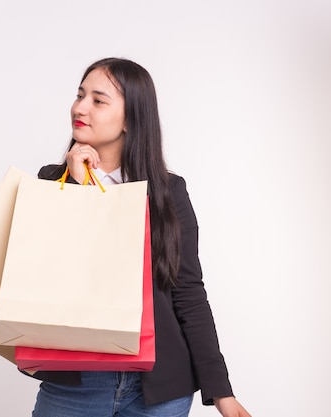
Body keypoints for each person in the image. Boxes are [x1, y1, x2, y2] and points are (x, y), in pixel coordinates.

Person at [25, 58, 252, 417]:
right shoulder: (52, 181)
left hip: (162, 388)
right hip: (76, 382)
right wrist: (75, 185)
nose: (80, 107)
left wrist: (220, 390)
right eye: (80, 95)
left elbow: (188, 292)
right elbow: (39, 273)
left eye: (98, 100)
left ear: (131, 118)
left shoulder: (168, 191)